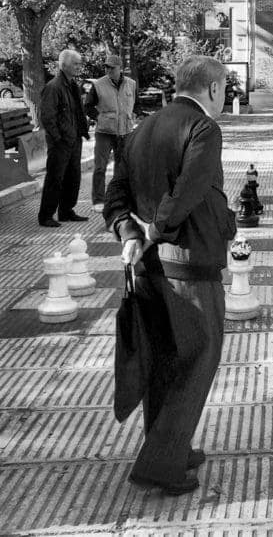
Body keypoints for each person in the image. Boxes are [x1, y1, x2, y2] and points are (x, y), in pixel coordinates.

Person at [104, 55, 237, 496]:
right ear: (214, 89)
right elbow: (190, 188)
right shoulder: (204, 128)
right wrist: (157, 230)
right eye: (225, 89)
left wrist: (130, 231)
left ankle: (171, 447)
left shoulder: (141, 127)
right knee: (198, 358)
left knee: (164, 360)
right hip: (187, 262)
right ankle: (162, 464)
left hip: (147, 265)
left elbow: (116, 192)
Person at [38, 49, 90, 227]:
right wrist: (58, 138)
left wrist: (82, 131)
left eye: (79, 63)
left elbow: (76, 111)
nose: (78, 67)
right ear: (64, 65)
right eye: (75, 64)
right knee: (55, 178)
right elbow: (47, 117)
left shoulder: (72, 85)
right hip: (61, 142)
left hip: (74, 139)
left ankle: (66, 211)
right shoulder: (54, 87)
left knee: (73, 177)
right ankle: (46, 215)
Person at [85, 54, 136, 211]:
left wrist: (133, 116)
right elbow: (87, 106)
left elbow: (136, 103)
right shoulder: (98, 85)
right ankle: (98, 200)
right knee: (100, 166)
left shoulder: (131, 84)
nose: (108, 70)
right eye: (106, 67)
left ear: (120, 68)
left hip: (125, 131)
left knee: (121, 168)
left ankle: (118, 198)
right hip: (104, 132)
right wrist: (99, 117)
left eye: (111, 68)